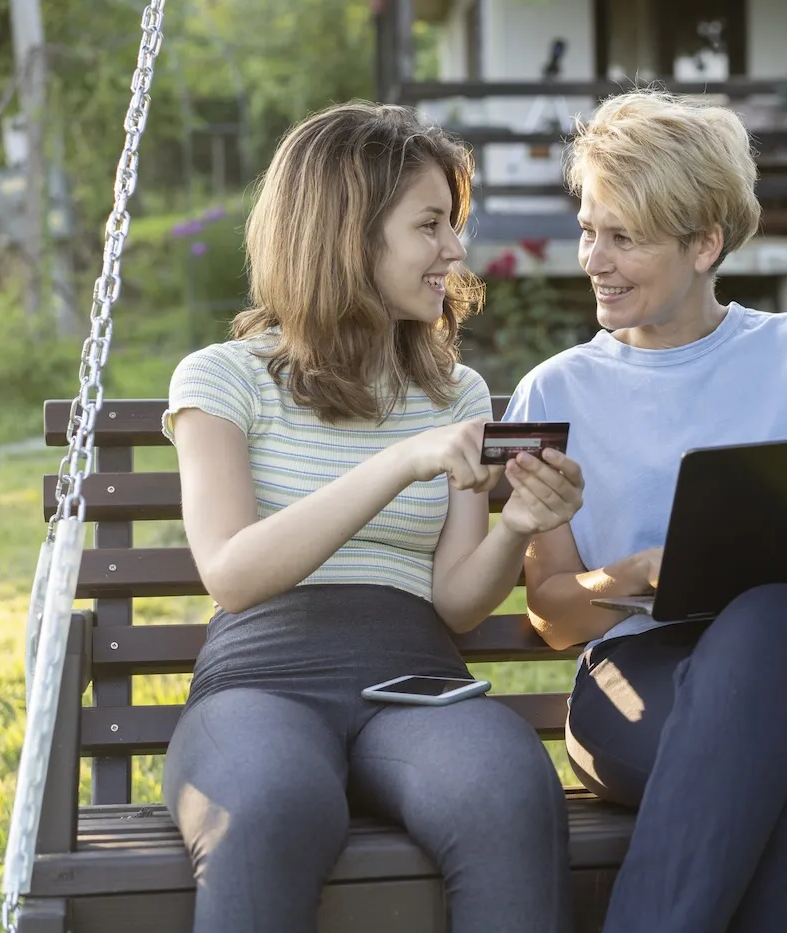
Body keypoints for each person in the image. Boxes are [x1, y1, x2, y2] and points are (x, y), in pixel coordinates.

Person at [503, 90, 787, 933]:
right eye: (590, 229)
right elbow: (553, 615)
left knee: (772, 617)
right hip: (649, 678)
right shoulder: (554, 393)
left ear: (705, 244)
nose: (594, 258)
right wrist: (636, 571)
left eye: (623, 238)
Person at [159, 102, 584, 933]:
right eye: (430, 224)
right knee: (273, 806)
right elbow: (233, 572)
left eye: (453, 225)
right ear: (348, 233)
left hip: (416, 683)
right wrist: (396, 462)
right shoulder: (224, 379)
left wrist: (520, 523)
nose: (455, 250)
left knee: (508, 787)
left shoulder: (453, 393)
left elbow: (458, 601)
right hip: (260, 685)